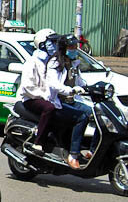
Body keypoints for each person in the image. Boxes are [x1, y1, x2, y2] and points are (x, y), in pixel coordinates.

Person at [19, 28, 82, 159]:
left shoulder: (55, 61)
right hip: (32, 97)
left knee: (72, 114)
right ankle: (38, 143)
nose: (55, 46)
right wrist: (44, 96)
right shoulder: (32, 62)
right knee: (49, 108)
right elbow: (27, 86)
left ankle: (66, 146)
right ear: (42, 44)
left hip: (49, 97)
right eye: (51, 43)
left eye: (56, 42)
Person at [43, 35, 91, 169]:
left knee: (94, 113)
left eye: (75, 46)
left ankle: (91, 151)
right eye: (71, 46)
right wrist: (70, 90)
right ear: (64, 48)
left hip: (72, 101)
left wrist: (91, 88)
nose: (74, 49)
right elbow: (53, 84)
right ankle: (73, 154)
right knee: (81, 118)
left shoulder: (74, 62)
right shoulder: (55, 62)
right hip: (57, 102)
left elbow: (80, 81)